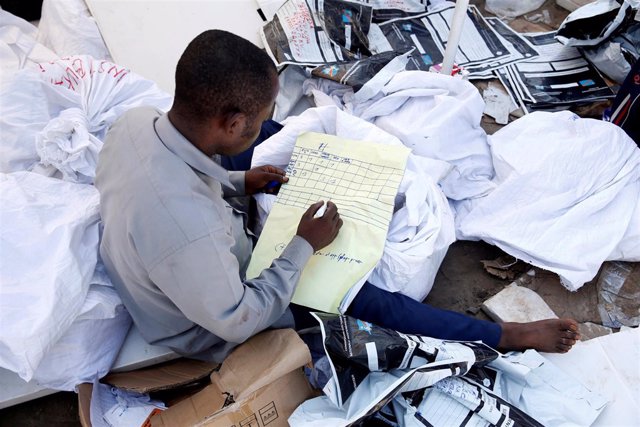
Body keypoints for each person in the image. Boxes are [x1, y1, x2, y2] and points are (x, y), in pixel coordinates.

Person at [96, 30, 580, 363]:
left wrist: (240, 183)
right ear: (232, 123)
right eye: (254, 119)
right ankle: (504, 336)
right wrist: (305, 244)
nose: (260, 124)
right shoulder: (188, 228)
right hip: (204, 325)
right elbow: (238, 319)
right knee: (366, 301)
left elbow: (185, 178)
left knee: (285, 141)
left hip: (187, 251)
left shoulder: (137, 123)